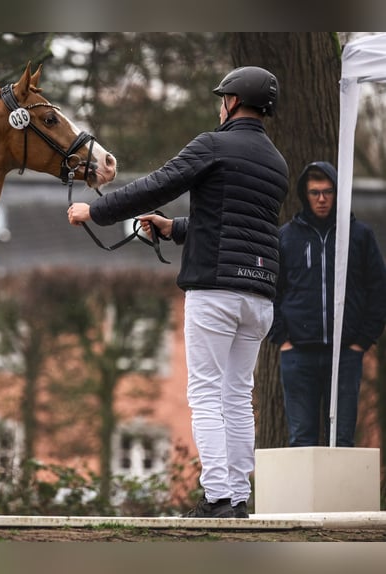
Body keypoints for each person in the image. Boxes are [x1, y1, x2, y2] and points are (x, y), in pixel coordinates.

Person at [67, 66, 288, 518]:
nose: (218, 105)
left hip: (216, 291)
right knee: (237, 396)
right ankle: (239, 498)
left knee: (206, 394)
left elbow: (158, 184)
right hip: (260, 294)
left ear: (232, 101)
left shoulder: (213, 144)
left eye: (221, 98)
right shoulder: (277, 162)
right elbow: (238, 223)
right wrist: (173, 228)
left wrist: (96, 210)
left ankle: (217, 497)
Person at [268, 161, 386, 448]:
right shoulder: (286, 237)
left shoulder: (359, 236)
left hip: (345, 354)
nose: (321, 199)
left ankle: (340, 495)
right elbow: (269, 290)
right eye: (315, 192)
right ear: (304, 195)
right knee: (301, 441)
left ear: (337, 193)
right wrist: (282, 338)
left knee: (343, 440)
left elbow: (379, 289)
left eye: (328, 192)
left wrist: (362, 340)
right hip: (297, 355)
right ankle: (303, 496)